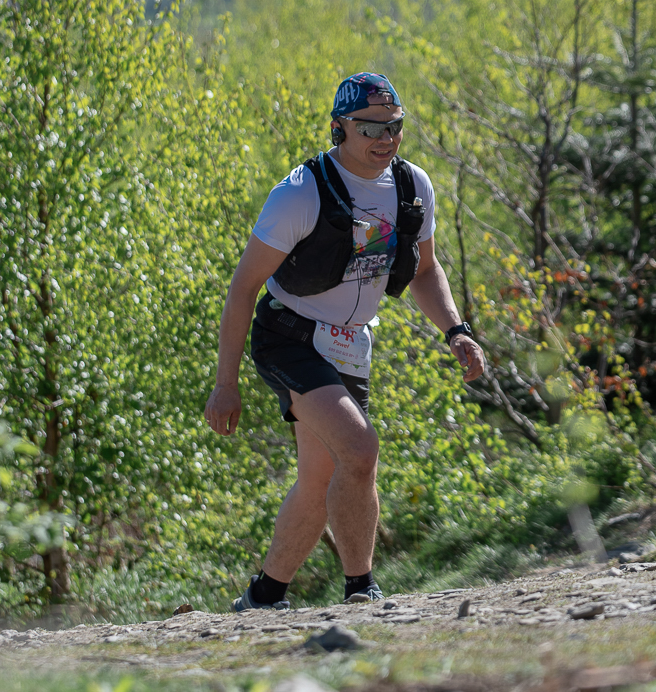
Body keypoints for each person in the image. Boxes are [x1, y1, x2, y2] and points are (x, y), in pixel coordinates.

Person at [204, 71, 486, 610]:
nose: (386, 139)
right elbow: (242, 289)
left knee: (321, 475)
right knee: (359, 449)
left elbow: (425, 271)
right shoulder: (300, 192)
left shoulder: (412, 186)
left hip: (351, 342)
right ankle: (363, 590)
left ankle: (264, 597)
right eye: (370, 128)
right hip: (288, 337)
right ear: (339, 129)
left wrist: (456, 330)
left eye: (395, 127)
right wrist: (226, 384)